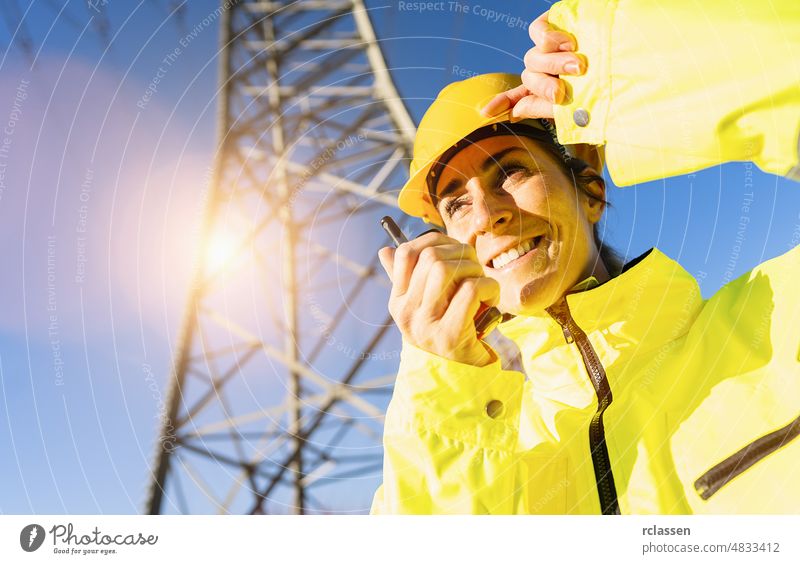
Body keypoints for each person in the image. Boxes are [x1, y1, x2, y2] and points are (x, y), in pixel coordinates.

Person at [370, 1, 800, 514]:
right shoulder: (481, 447)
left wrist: (619, 74)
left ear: (591, 193)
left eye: (511, 171)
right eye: (457, 204)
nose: (485, 215)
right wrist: (443, 388)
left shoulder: (775, 324)